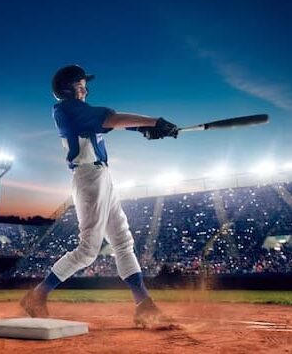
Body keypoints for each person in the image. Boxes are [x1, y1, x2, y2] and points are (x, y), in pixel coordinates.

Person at [20, 65, 178, 327]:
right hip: (89, 179)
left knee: (122, 241)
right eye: (80, 84)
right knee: (88, 250)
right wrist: (154, 122)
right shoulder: (65, 109)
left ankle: (144, 305)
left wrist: (143, 128)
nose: (85, 88)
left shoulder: (79, 111)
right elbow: (110, 119)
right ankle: (37, 295)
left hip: (102, 178)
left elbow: (110, 122)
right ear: (67, 89)